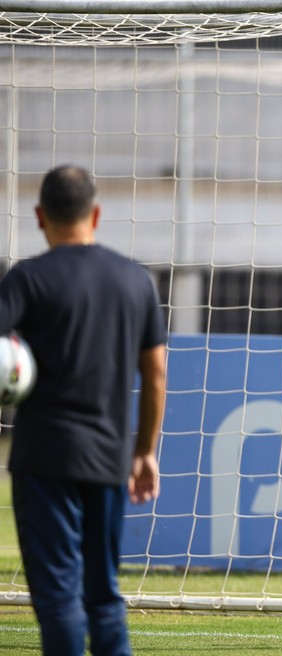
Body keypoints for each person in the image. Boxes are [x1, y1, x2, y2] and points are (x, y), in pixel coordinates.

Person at [0, 165, 167, 655]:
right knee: (103, 595)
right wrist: (145, 452)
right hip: (109, 459)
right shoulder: (135, 280)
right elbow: (156, 375)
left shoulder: (26, 280)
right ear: (95, 213)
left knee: (58, 600)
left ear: (38, 216)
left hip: (43, 462)